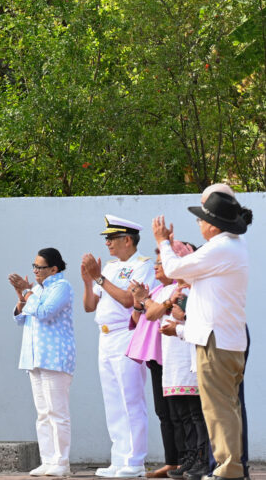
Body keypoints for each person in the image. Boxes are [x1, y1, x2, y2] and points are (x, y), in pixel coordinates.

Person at [153, 189, 251, 480]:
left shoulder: (220, 247)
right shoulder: (232, 245)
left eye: (202, 219)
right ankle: (228, 467)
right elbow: (187, 274)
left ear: (214, 224)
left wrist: (163, 243)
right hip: (225, 339)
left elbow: (173, 269)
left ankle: (227, 470)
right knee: (225, 408)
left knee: (218, 409)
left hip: (216, 342)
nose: (198, 224)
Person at [81, 215, 155, 478]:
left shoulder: (142, 265)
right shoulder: (111, 267)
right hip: (106, 336)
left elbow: (127, 300)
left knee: (131, 399)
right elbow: (90, 306)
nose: (108, 244)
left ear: (127, 239)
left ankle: (135, 461)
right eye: (106, 239)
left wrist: (98, 278)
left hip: (127, 334)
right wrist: (88, 282)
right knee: (113, 400)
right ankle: (119, 458)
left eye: (111, 238)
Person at [9, 248, 75, 477]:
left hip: (54, 357)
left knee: (57, 411)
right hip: (35, 357)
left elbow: (46, 311)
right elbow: (22, 318)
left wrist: (26, 293)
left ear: (54, 269)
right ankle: (47, 459)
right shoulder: (36, 289)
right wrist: (21, 295)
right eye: (34, 266)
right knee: (43, 413)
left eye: (40, 267)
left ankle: (62, 461)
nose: (35, 270)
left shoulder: (61, 287)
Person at [127, 252, 181, 478]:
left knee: (178, 410)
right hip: (156, 356)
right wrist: (138, 302)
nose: (156, 267)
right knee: (162, 411)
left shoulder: (178, 289)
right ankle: (171, 461)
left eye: (161, 264)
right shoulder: (158, 290)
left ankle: (184, 460)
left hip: (173, 356)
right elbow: (142, 321)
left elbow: (157, 313)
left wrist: (144, 300)